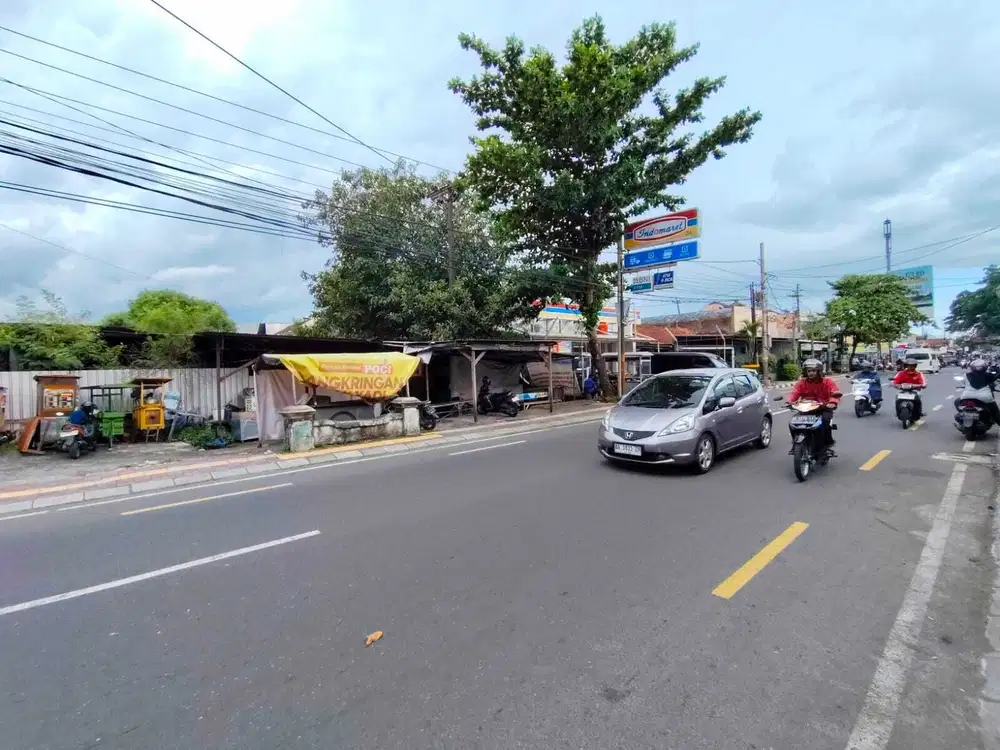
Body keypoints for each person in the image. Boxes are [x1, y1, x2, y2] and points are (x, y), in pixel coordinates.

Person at [788, 358, 841, 455]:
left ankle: (827, 443)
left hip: (823, 408)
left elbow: (835, 392)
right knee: (793, 423)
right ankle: (795, 444)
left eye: (813, 370)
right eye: (809, 371)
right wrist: (790, 401)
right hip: (807, 409)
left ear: (819, 371)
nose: (811, 373)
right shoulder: (802, 383)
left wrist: (832, 402)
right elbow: (794, 393)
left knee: (825, 421)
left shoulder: (827, 382)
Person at [965, 358, 1000, 423]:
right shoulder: (988, 375)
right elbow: (996, 378)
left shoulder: (967, 375)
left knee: (957, 402)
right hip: (984, 397)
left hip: (966, 396)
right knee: (995, 412)